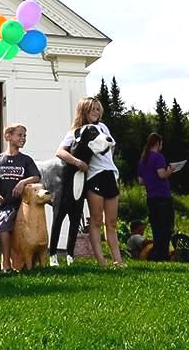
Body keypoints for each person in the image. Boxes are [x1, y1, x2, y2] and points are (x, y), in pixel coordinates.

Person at [56, 97, 123, 268]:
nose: (96, 112)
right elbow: (60, 152)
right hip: (94, 177)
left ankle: (118, 261)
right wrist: (78, 162)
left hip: (110, 175)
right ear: (84, 110)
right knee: (96, 220)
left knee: (112, 222)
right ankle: (101, 261)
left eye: (98, 109)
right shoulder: (76, 131)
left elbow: (111, 146)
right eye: (93, 109)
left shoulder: (103, 127)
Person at [0, 123, 40, 272]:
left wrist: (23, 182)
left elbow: (36, 176)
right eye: (20, 135)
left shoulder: (26, 160)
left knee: (3, 226)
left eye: (24, 136)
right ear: (8, 136)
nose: (23, 138)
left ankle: (6, 265)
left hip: (15, 206)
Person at [137, 133, 176, 261]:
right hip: (162, 196)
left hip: (151, 197)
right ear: (157, 143)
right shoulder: (158, 157)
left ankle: (156, 254)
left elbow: (141, 180)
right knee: (166, 227)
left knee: (156, 227)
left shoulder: (143, 159)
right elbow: (161, 174)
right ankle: (162, 254)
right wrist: (170, 170)